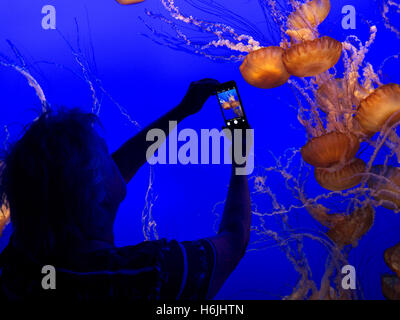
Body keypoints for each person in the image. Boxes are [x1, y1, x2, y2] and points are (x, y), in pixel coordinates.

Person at [0, 79, 251, 300]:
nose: (115, 159)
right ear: (100, 195)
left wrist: (182, 111)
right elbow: (235, 237)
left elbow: (98, 176)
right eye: (106, 155)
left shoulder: (20, 261)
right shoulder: (150, 274)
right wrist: (240, 160)